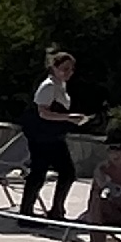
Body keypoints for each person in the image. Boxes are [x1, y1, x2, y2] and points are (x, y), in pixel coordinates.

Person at [18, 50, 83, 219]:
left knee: (65, 173)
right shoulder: (48, 86)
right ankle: (27, 212)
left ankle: (56, 209)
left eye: (71, 70)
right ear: (54, 68)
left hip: (54, 136)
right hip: (42, 137)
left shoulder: (61, 86)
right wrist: (68, 117)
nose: (68, 73)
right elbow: (43, 113)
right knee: (40, 172)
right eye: (65, 69)